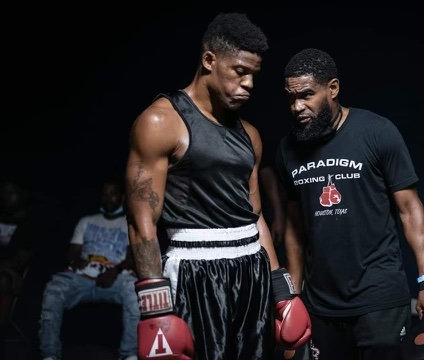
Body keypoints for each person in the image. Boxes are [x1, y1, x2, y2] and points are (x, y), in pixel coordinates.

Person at [124, 12, 311, 360]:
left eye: (254, 75)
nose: (249, 85)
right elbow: (141, 222)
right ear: (209, 60)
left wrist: (281, 288)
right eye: (240, 72)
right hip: (195, 273)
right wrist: (155, 306)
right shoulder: (161, 122)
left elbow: (254, 217)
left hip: (251, 270)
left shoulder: (249, 135)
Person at [275, 48, 424, 360]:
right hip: (320, 303)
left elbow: (411, 210)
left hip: (378, 298)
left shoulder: (378, 132)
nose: (297, 106)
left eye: (307, 95)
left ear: (333, 88)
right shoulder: (288, 149)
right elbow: (294, 228)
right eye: (290, 98)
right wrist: (293, 298)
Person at [39, 177, 139, 360]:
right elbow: (72, 251)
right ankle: (49, 354)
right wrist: (75, 260)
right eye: (105, 194)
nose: (109, 198)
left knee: (135, 292)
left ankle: (129, 354)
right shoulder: (86, 220)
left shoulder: (129, 223)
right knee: (54, 288)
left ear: (122, 197)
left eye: (113, 194)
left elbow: (133, 258)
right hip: (83, 276)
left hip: (114, 277)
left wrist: (114, 271)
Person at [0, 179, 38, 352]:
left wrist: (9, 270)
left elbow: (19, 261)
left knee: (4, 280)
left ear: (23, 195)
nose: (5, 197)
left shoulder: (28, 225)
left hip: (6, 274)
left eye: (11, 192)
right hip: (6, 269)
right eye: (4, 192)